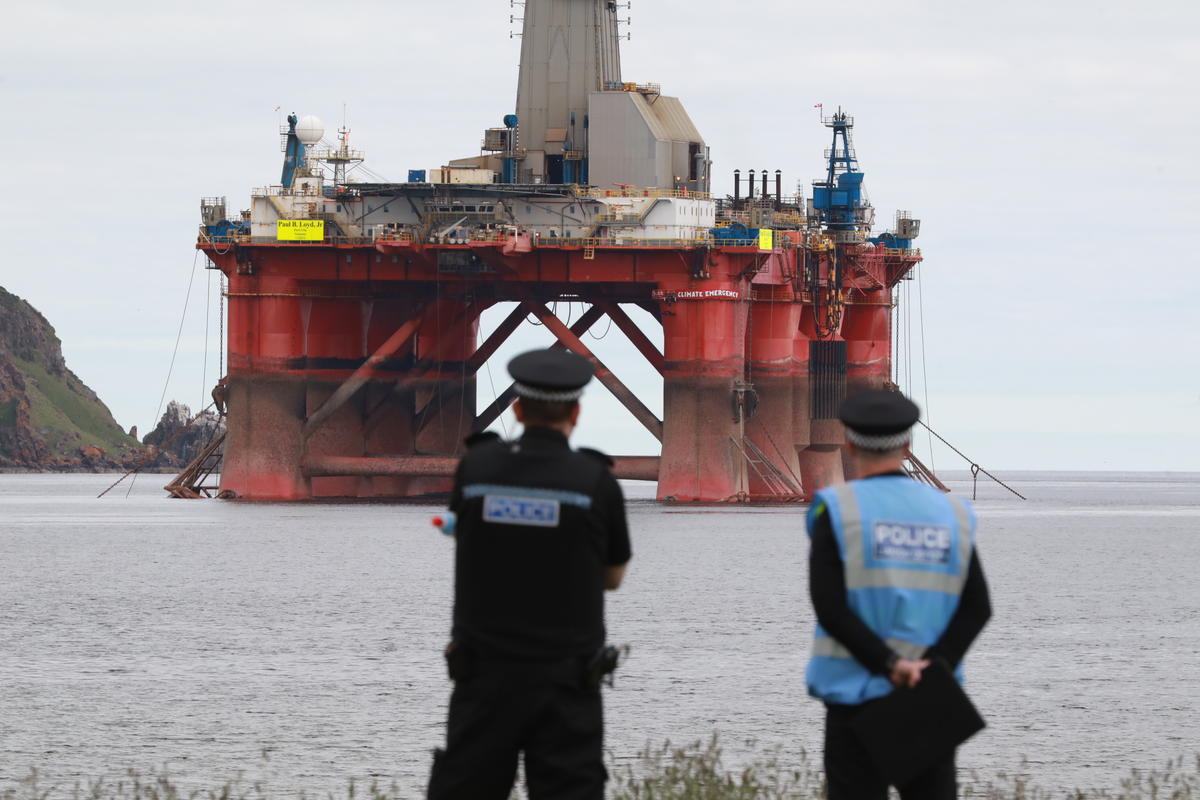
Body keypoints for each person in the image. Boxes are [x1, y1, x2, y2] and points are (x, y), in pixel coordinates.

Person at [427, 348, 632, 800]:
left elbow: (471, 541)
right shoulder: (595, 482)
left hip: (483, 677)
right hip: (565, 683)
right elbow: (613, 577)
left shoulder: (475, 468)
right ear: (576, 413)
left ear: (516, 409)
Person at [806, 389, 992, 799]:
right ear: (907, 445)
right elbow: (978, 608)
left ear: (849, 443)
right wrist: (928, 667)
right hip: (929, 696)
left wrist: (890, 665)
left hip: (855, 695)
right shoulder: (955, 514)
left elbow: (830, 608)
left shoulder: (835, 509)